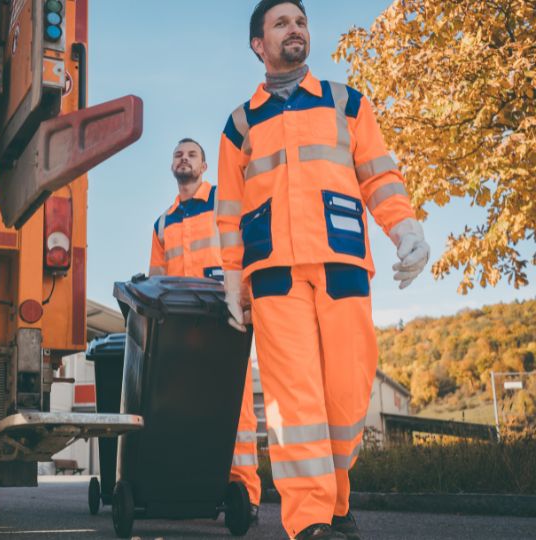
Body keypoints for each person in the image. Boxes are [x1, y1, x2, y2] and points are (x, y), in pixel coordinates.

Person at [215, 1, 430, 539]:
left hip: (342, 266)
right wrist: (231, 280)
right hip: (274, 277)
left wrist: (405, 228)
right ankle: (309, 519)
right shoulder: (239, 124)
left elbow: (379, 176)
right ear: (258, 45)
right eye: (282, 23)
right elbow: (230, 214)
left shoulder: (347, 103)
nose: (296, 29)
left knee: (346, 396)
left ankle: (335, 499)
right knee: (294, 403)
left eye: (302, 21)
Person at [150, 138, 262, 525]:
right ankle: (190, 488)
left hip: (224, 316)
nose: (184, 159)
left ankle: (243, 493)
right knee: (185, 407)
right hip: (181, 327)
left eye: (191, 154)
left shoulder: (224, 204)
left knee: (238, 408)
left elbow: (248, 249)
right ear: (172, 165)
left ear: (205, 166)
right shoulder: (163, 222)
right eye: (178, 154)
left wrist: (247, 300)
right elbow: (156, 279)